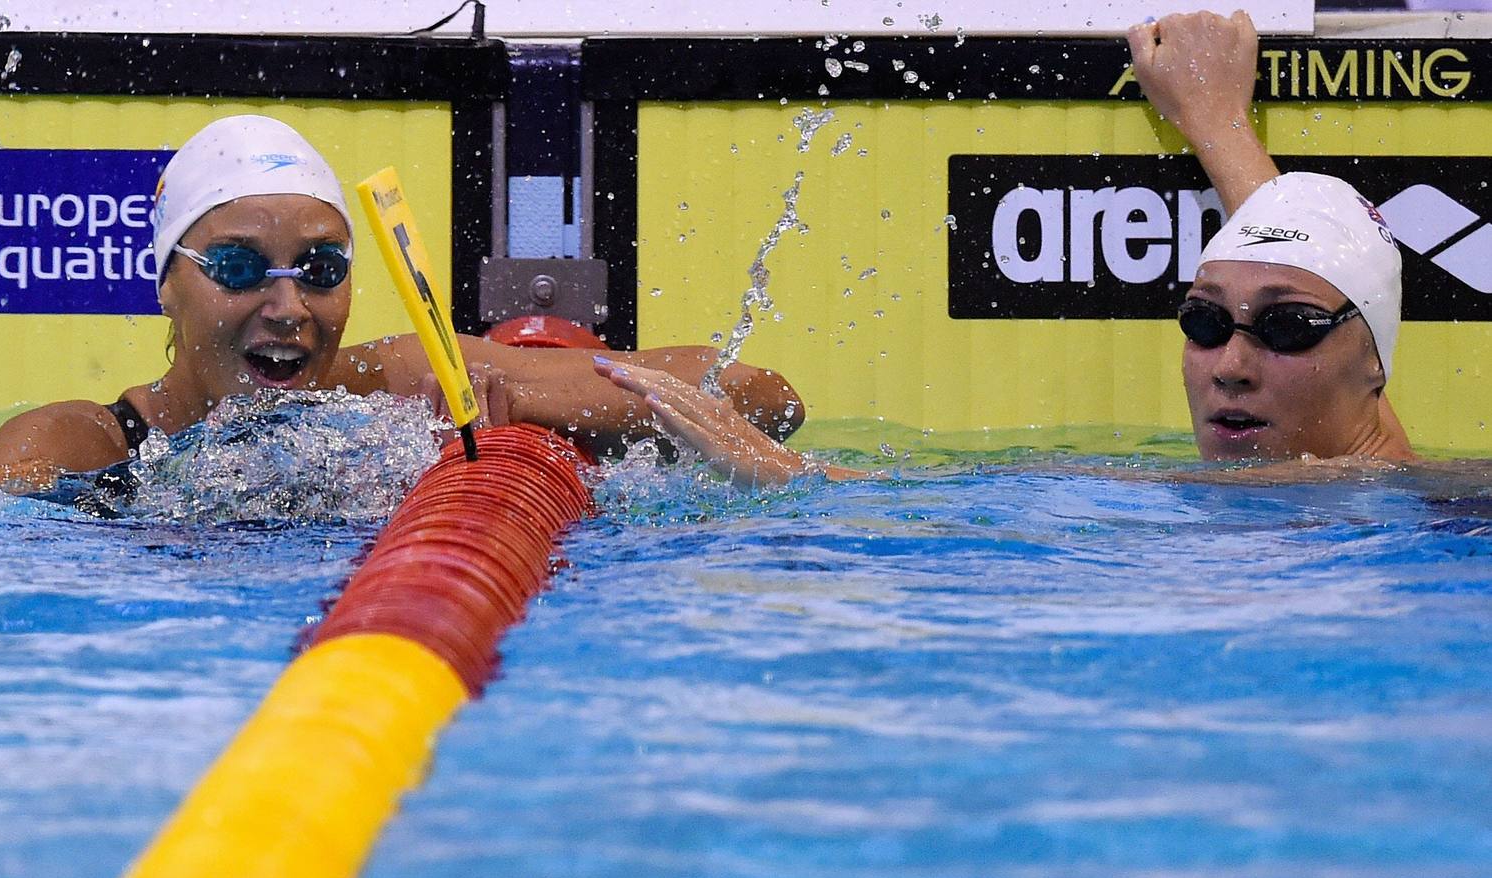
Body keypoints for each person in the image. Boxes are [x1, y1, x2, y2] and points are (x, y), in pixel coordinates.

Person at [595, 10, 1426, 488]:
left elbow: (1025, 504)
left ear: (1375, 364)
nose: (1230, 364)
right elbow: (1313, 284)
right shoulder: (1336, 413)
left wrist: (804, 481)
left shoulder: (1391, 498)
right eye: (1203, 323)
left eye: (1282, 331)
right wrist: (1217, 126)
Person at [0, 115, 803, 491]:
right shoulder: (79, 443)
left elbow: (766, 395)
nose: (288, 304)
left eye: (321, 267)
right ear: (167, 285)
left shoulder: (392, 386)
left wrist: (516, 410)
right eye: (238, 266)